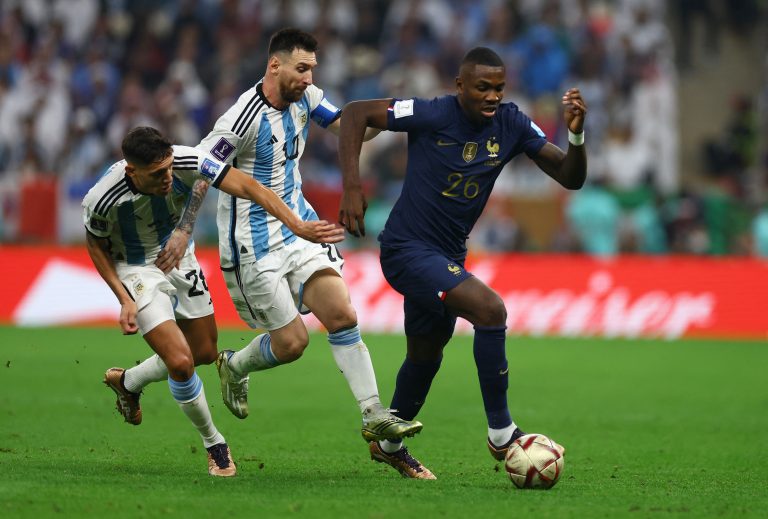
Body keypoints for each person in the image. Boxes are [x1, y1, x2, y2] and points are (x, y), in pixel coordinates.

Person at [159, 27, 422, 449]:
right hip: (253, 245)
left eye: (312, 69)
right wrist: (185, 228)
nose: (309, 78)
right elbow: (203, 172)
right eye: (301, 69)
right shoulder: (241, 118)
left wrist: (399, 114)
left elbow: (350, 126)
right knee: (293, 343)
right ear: (274, 66)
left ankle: (374, 414)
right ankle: (235, 366)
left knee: (342, 313)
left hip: (300, 228)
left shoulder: (308, 98)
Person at [337, 47, 584, 479]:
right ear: (460, 86)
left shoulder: (511, 124)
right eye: (482, 87)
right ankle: (502, 433)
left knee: (426, 355)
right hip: (406, 248)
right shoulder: (432, 113)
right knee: (490, 310)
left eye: (499, 88)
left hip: (449, 254)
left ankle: (389, 444)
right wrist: (352, 187)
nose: (492, 96)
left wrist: (577, 137)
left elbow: (570, 177)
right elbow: (356, 113)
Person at [83, 126, 344, 477]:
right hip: (135, 269)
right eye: (157, 174)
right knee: (180, 362)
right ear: (132, 171)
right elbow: (95, 244)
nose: (168, 178)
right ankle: (215, 445)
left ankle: (128, 382)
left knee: (204, 352)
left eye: (169, 168)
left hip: (180, 258)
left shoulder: (188, 160)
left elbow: (248, 186)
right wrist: (124, 298)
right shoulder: (102, 197)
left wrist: (296, 225)